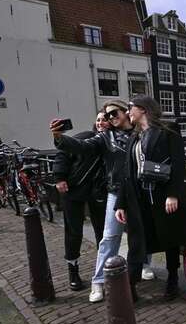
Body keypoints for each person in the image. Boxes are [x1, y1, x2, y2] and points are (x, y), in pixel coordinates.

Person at [50, 101, 154, 304]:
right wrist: (59, 137)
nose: (110, 118)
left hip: (140, 191)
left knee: (143, 231)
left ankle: (144, 265)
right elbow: (81, 146)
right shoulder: (106, 137)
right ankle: (98, 281)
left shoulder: (141, 132)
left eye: (113, 113)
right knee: (109, 237)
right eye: (106, 116)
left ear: (125, 112)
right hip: (116, 192)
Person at [114, 95, 186, 301]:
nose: (128, 112)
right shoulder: (134, 137)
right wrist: (120, 204)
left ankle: (173, 280)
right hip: (138, 199)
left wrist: (173, 194)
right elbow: (126, 173)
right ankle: (131, 284)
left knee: (169, 239)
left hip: (161, 196)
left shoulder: (168, 132)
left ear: (143, 109)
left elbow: (178, 164)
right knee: (137, 241)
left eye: (131, 108)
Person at [52, 111, 109, 291]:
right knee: (74, 231)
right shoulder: (87, 137)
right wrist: (60, 177)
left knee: (102, 232)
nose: (101, 123)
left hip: (98, 193)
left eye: (105, 119)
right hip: (74, 190)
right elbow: (63, 152)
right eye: (98, 119)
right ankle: (73, 270)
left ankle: (104, 269)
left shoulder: (113, 142)